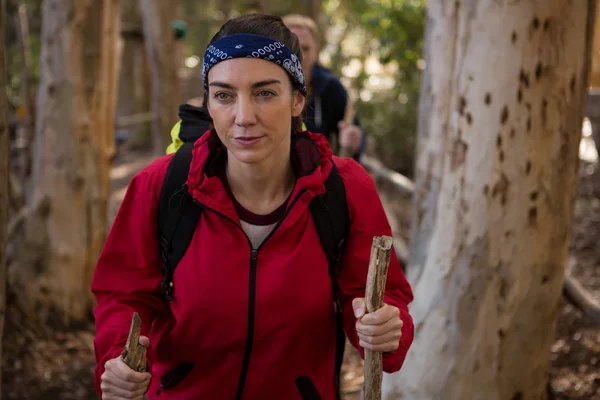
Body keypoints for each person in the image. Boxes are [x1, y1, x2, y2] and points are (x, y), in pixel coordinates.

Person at [92, 13, 414, 400]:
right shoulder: (161, 186)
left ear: (297, 99)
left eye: (265, 93)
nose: (244, 118)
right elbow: (123, 295)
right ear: (208, 102)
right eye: (224, 95)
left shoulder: (344, 189)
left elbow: (381, 301)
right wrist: (116, 359)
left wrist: (384, 329)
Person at [282, 14, 365, 161]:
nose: (300, 56)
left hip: (317, 174)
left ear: (316, 51)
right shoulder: (264, 85)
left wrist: (354, 140)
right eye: (292, 49)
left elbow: (353, 130)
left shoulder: (330, 86)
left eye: (306, 48)